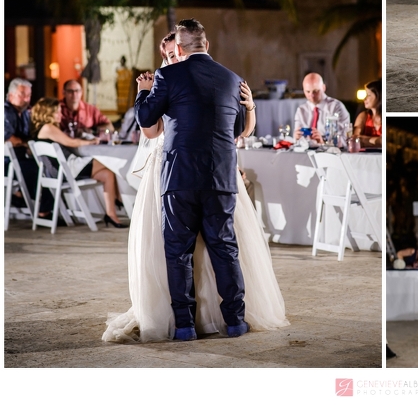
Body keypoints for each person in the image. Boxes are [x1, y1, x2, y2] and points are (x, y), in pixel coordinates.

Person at [103, 20, 287, 342]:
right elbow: (237, 130)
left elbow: (146, 118)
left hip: (180, 176)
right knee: (225, 249)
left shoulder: (168, 76)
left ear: (179, 47)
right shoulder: (232, 78)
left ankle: (185, 325)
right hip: (221, 176)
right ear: (207, 44)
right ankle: (234, 321)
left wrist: (143, 92)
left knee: (178, 252)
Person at [30, 97, 126, 228]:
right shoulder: (48, 127)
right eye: (57, 112)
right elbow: (71, 142)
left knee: (107, 174)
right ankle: (119, 199)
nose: (60, 115)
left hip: (64, 170)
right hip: (68, 170)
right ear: (48, 113)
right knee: (108, 161)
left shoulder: (45, 128)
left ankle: (111, 214)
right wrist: (91, 141)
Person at [4, 78, 53, 216]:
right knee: (41, 170)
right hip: (7, 163)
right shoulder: (5, 111)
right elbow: (9, 139)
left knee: (47, 165)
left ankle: (21, 197)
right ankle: (43, 211)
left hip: (21, 159)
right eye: (22, 95)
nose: (26, 99)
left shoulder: (26, 113)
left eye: (29, 95)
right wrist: (28, 144)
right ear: (11, 95)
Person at [292, 73, 350, 144]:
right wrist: (296, 138)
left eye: (315, 91)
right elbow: (297, 140)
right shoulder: (301, 110)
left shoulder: (336, 107)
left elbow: (345, 139)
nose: (312, 95)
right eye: (308, 91)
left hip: (331, 150)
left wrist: (323, 142)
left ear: (323, 88)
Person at [352, 79, 382, 147]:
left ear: (379, 96)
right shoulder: (363, 116)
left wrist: (364, 139)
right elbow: (355, 139)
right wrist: (376, 140)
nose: (364, 98)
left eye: (368, 95)